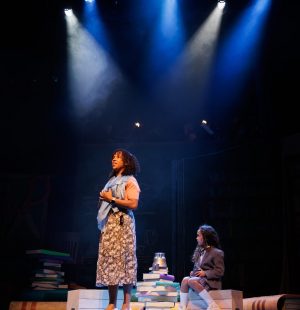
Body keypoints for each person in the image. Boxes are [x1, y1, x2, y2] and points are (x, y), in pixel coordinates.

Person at [96, 149, 141, 310]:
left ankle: (126, 303)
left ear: (126, 162)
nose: (114, 159)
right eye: (113, 157)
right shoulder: (111, 180)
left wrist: (112, 199)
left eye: (118, 157)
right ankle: (111, 302)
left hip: (123, 224)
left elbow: (133, 204)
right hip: (110, 225)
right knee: (110, 261)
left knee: (125, 260)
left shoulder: (130, 180)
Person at [179, 224, 224, 310]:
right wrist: (193, 273)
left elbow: (219, 271)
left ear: (205, 237)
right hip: (200, 280)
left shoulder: (217, 252)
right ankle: (183, 306)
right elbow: (198, 268)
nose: (196, 238)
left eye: (198, 236)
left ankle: (212, 304)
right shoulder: (199, 252)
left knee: (191, 281)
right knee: (185, 280)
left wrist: (205, 273)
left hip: (210, 281)